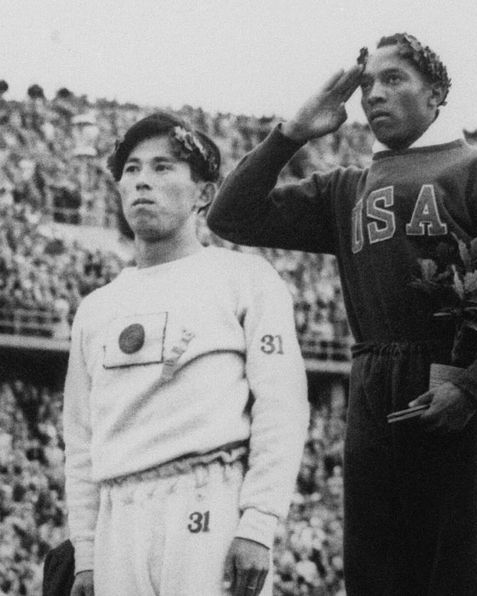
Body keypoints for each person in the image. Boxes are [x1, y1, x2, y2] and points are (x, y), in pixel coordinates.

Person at [207, 33, 477, 595]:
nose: (374, 95)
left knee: (462, 574)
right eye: (367, 84)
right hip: (372, 385)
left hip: (459, 388)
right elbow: (231, 216)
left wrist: (470, 386)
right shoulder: (347, 188)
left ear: (436, 93)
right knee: (375, 575)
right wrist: (291, 133)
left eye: (395, 80)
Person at [63, 112, 310, 596]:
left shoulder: (247, 279)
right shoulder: (95, 309)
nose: (142, 183)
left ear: (203, 193)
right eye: (131, 170)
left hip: (207, 501)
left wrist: (257, 523)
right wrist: (87, 553)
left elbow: (282, 408)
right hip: (119, 516)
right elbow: (80, 440)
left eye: (162, 167)